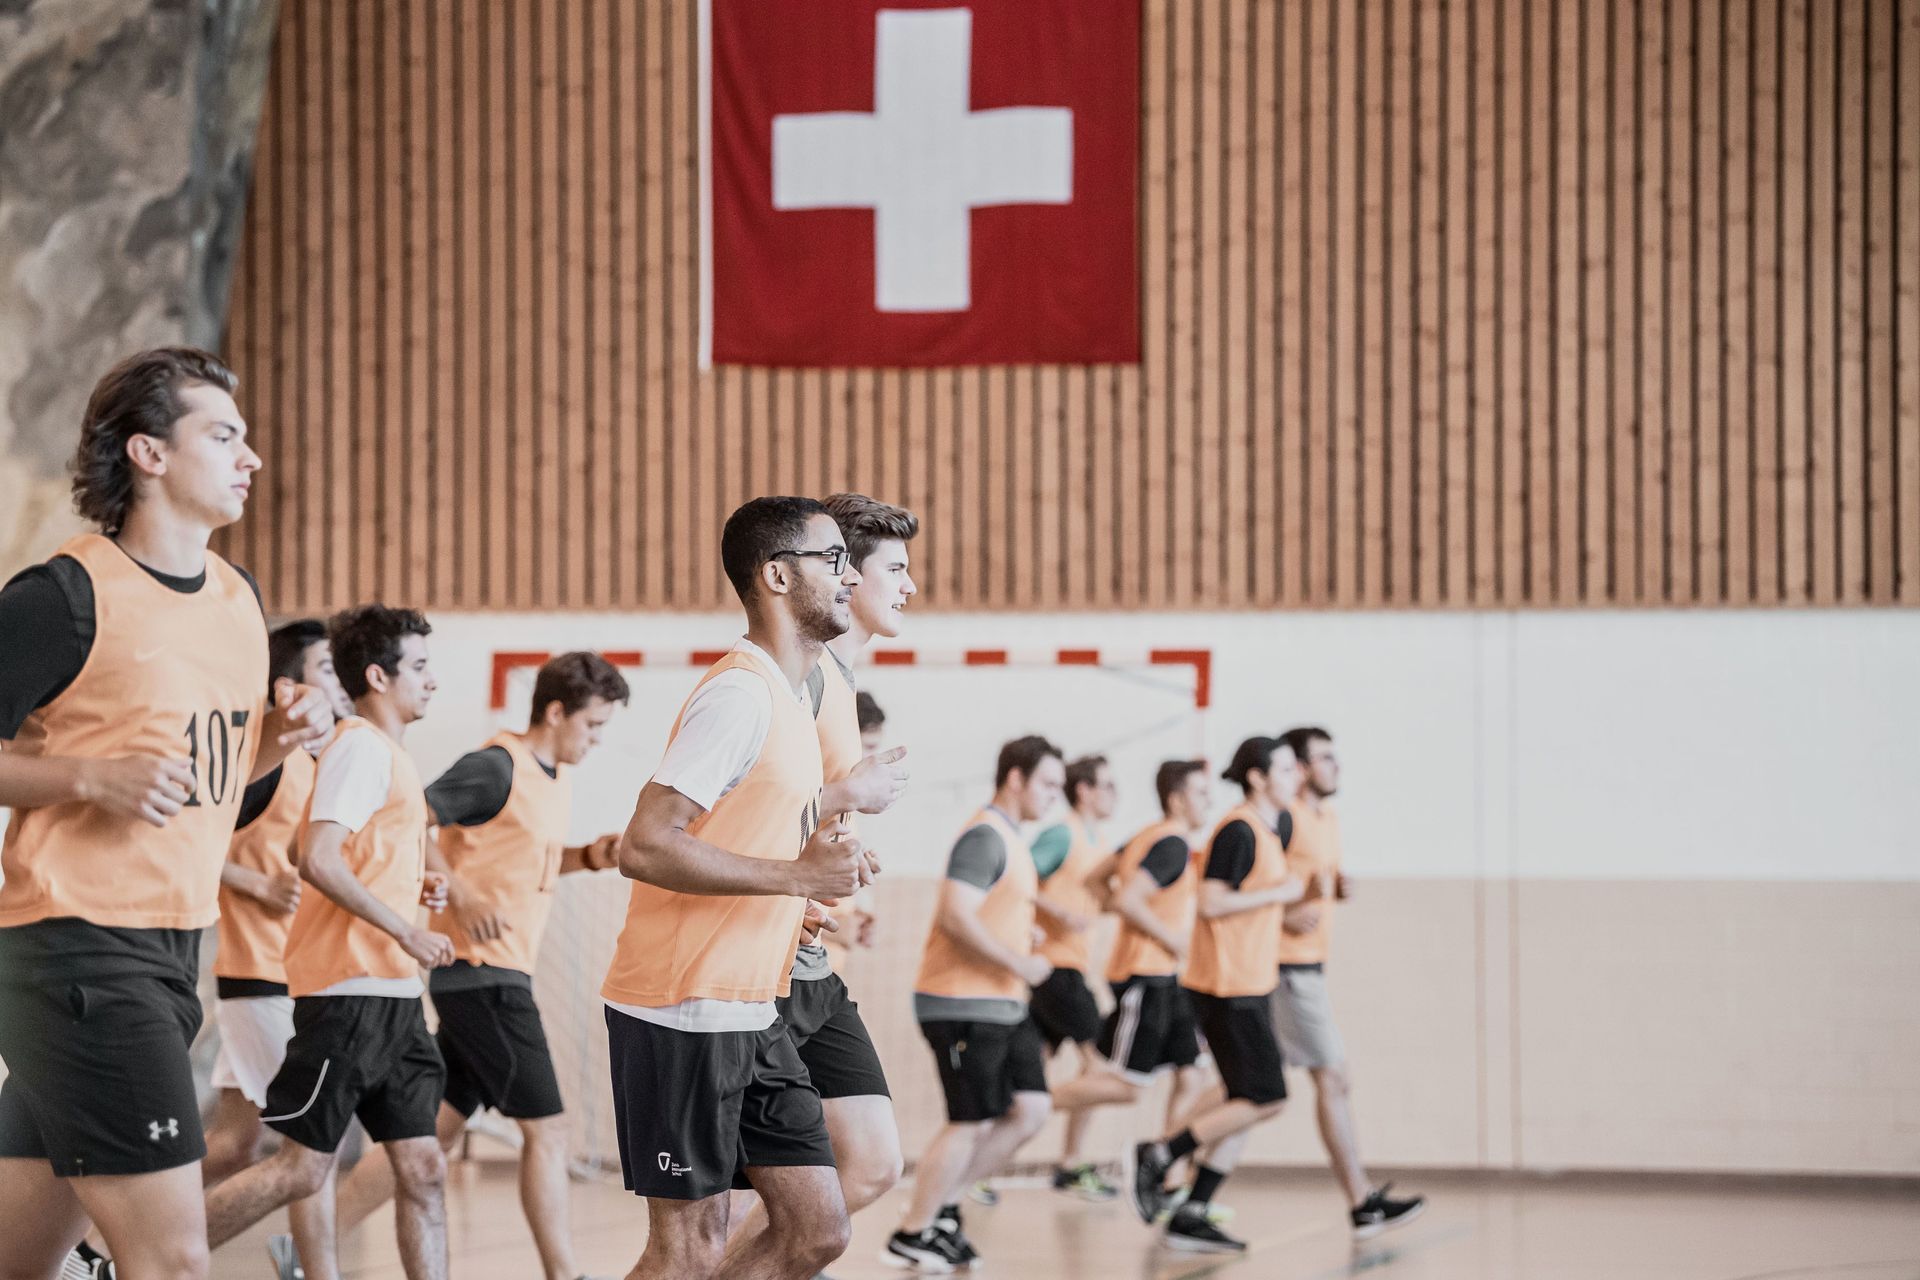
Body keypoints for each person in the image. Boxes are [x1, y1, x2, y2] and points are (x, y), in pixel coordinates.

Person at [0, 347, 332, 1280]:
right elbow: (101, 778)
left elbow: (220, 796)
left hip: (172, 951)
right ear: (148, 454)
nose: (251, 457)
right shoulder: (62, 597)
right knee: (174, 1261)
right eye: (224, 435)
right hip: (80, 954)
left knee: (24, 1263)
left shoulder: (237, 601)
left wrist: (279, 738)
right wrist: (84, 779)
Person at [602, 497, 873, 1280]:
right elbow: (645, 843)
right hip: (682, 1006)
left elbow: (749, 835)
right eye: (833, 559)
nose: (850, 575)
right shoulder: (740, 695)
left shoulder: (792, 701)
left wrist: (814, 882)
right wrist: (795, 876)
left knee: (818, 1228)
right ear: (778, 575)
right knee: (688, 1250)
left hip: (756, 1009)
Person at [321, 651, 633, 1280]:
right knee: (548, 1131)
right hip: (481, 973)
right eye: (593, 726)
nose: (597, 741)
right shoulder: (495, 767)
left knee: (430, 1131)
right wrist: (459, 893)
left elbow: (526, 865)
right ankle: (565, 1273)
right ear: (555, 711)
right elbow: (413, 821)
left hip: (493, 973)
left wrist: (594, 855)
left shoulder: (554, 779)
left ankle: (312, 1243)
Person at [201, 605, 455, 1280]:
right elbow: (316, 857)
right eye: (421, 666)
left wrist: (410, 887)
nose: (433, 680)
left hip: (395, 997)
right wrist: (404, 927)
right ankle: (136, 1260)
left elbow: (299, 843)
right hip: (347, 995)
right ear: (378, 675)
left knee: (424, 1169)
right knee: (298, 1170)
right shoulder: (361, 746)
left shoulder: (383, 753)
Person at [721, 493, 916, 1270]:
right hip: (753, 972)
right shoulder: (795, 677)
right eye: (893, 570)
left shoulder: (837, 680)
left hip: (809, 967)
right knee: (727, 1209)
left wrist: (839, 885)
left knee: (869, 1164)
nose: (908, 587)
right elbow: (749, 810)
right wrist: (802, 871)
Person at [888, 736, 1065, 1272]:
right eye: (1048, 784)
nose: (1055, 796)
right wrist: (1019, 961)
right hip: (959, 1004)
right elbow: (954, 916)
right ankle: (911, 1232)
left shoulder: (1011, 840)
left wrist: (1021, 933)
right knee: (969, 1121)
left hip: (1002, 1006)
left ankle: (944, 1207)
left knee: (1031, 1109)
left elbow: (986, 912)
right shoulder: (985, 837)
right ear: (1016, 778)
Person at [1132, 736, 1308, 1252]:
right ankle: (1161, 1155)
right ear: (1257, 777)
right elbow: (1211, 903)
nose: (1293, 776)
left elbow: (1249, 907)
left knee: (1249, 1098)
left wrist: (1289, 910)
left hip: (1249, 983)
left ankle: (1192, 1208)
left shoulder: (1272, 831)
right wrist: (1282, 893)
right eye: (1283, 768)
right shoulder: (1239, 829)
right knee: (1266, 1097)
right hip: (1227, 988)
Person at [202, 621, 357, 1189]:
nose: (338, 680)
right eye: (324, 667)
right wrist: (255, 883)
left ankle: (94, 1251)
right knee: (314, 1144)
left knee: (235, 1145)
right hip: (261, 975)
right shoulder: (265, 768)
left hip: (297, 975)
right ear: (285, 687)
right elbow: (184, 839)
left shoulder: (328, 762)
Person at [1274, 726, 1424, 1239]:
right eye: (1324, 758)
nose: (1335, 766)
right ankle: (1361, 1203)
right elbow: (1243, 889)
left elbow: (1305, 883)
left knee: (1249, 1093)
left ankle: (1171, 1165)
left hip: (1311, 965)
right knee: (1331, 1078)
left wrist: (1335, 888)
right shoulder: (1283, 819)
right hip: (1285, 968)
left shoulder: (1326, 818)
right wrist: (1283, 917)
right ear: (1297, 766)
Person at [1050, 762, 1214, 1198]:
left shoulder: (1147, 836)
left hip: (1168, 979)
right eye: (1200, 792)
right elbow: (1125, 896)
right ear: (1177, 798)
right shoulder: (1172, 844)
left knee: (1193, 1073)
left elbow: (1097, 879)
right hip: (1148, 976)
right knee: (1125, 1087)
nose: (1208, 802)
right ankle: (1024, 1106)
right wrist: (1173, 940)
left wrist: (1127, 914)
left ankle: (1168, 1176)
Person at [1028, 755, 1121, 1200]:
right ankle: (1054, 1145)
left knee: (1033, 1068)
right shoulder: (1062, 832)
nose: (1114, 794)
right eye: (1106, 785)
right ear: (1083, 790)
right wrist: (1057, 912)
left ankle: (1064, 1163)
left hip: (1071, 966)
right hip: (1053, 968)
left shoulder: (1099, 841)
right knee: (1102, 1067)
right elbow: (1015, 875)